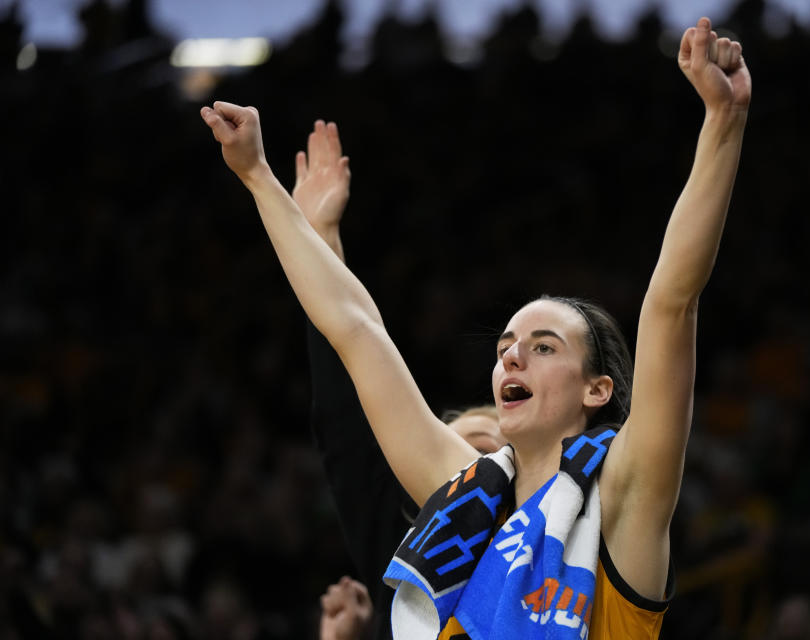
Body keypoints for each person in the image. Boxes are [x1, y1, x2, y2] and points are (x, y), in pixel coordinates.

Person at [200, 16, 750, 639]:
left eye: (543, 347)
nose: (512, 359)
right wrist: (257, 178)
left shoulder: (623, 499)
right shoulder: (463, 497)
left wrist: (723, 122)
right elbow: (356, 330)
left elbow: (671, 302)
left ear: (597, 389)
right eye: (506, 347)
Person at [291, 118, 505, 639]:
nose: (477, 461)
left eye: (495, 454)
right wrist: (318, 240)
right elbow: (345, 416)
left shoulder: (565, 549)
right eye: (467, 447)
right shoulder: (402, 552)